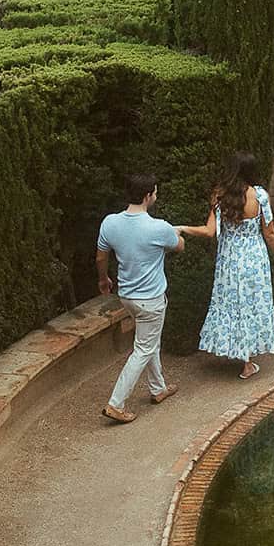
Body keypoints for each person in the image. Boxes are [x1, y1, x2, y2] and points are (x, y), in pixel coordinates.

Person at [180, 152, 274, 380]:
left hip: (229, 261)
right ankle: (247, 362)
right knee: (251, 306)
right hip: (254, 260)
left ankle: (235, 350)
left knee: (231, 305)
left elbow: (209, 232)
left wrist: (182, 228)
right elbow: (270, 232)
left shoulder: (220, 196)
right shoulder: (260, 196)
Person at [96, 173, 184, 423]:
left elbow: (101, 257)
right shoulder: (159, 227)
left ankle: (158, 389)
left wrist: (103, 279)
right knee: (143, 348)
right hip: (151, 300)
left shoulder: (110, 223)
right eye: (154, 192)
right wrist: (177, 233)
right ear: (148, 196)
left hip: (127, 297)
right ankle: (115, 404)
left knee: (148, 341)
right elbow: (180, 245)